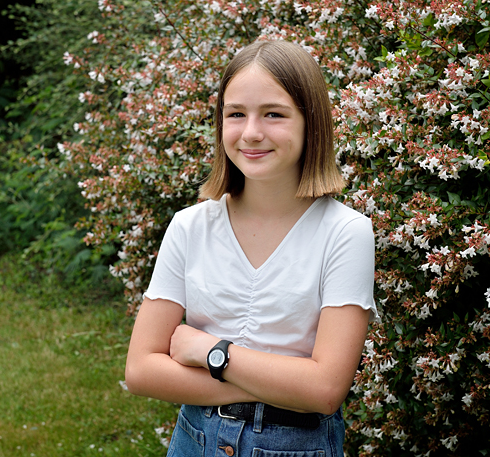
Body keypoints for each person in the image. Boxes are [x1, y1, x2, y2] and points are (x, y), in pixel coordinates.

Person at [125, 39, 377, 457]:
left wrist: (208, 351)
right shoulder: (191, 226)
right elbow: (141, 370)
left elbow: (325, 389)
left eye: (274, 114)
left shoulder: (345, 232)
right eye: (236, 114)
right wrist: (274, 385)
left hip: (297, 446)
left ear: (310, 122)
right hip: (195, 439)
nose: (251, 132)